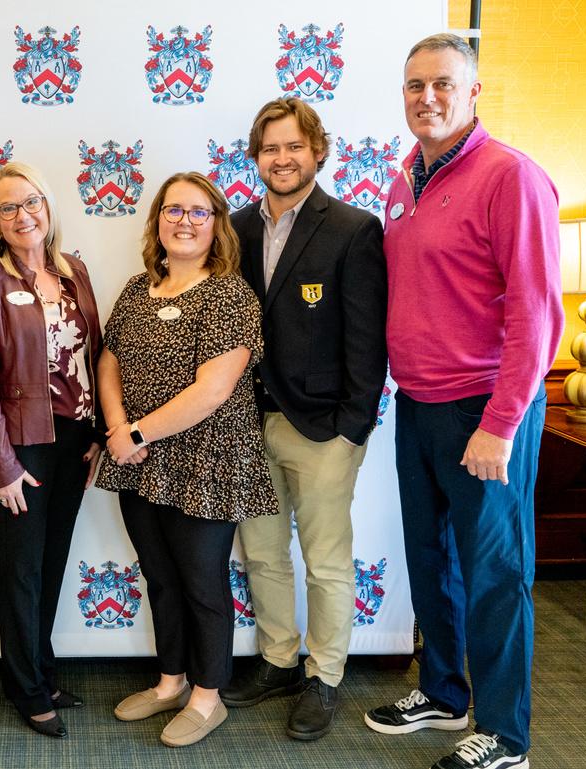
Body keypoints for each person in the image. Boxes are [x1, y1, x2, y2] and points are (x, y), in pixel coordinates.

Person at [363, 34, 563, 769]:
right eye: (414, 85)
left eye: (443, 83)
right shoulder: (402, 179)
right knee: (429, 561)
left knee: (495, 575)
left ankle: (505, 734)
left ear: (472, 91)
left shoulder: (511, 176)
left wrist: (501, 424)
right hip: (416, 404)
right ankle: (443, 694)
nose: (427, 98)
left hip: (486, 408)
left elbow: (536, 315)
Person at [221, 96, 387, 741]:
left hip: (322, 428)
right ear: (255, 157)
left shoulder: (352, 228)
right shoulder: (234, 227)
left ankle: (324, 675)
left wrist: (352, 426)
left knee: (325, 560)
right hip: (246, 422)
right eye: (270, 148)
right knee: (263, 555)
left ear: (318, 151)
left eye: (294, 146)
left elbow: (366, 340)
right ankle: (279, 660)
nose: (282, 158)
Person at [97, 171, 279, 748]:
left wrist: (137, 432)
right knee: (160, 576)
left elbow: (213, 390)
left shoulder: (230, 294)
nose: (184, 221)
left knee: (202, 582)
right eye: (173, 210)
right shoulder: (137, 289)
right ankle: (170, 681)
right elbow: (109, 359)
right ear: (157, 221)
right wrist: (119, 430)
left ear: (216, 224)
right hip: (138, 460)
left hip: (206, 459)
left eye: (199, 212)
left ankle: (207, 696)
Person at [0, 163, 103, 739]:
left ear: (48, 206)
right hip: (22, 444)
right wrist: (2, 466)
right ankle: (25, 686)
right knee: (21, 567)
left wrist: (97, 436)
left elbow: (95, 355)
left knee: (52, 561)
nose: (22, 216)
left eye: (31, 202)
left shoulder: (74, 271)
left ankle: (42, 671)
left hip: (75, 439)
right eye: (7, 207)